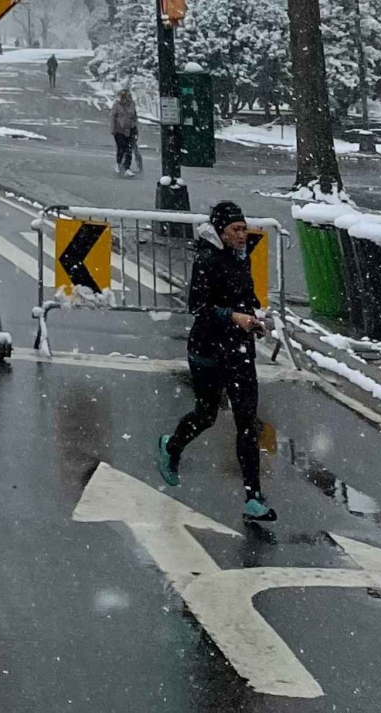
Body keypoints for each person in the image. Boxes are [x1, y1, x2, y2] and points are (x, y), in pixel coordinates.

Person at [159, 201, 276, 522]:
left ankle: (254, 496)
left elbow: (246, 299)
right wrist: (232, 316)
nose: (242, 235)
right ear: (220, 232)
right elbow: (198, 307)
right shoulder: (208, 260)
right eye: (235, 230)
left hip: (239, 352)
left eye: (244, 228)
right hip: (208, 350)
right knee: (207, 414)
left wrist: (256, 320)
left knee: (247, 421)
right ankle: (172, 447)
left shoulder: (241, 258)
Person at [110, 88, 138, 176]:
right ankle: (118, 164)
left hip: (130, 130)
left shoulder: (132, 105)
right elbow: (113, 117)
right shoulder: (117, 105)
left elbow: (135, 116)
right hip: (119, 130)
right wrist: (113, 129)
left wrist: (135, 126)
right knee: (121, 147)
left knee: (129, 149)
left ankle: (127, 168)